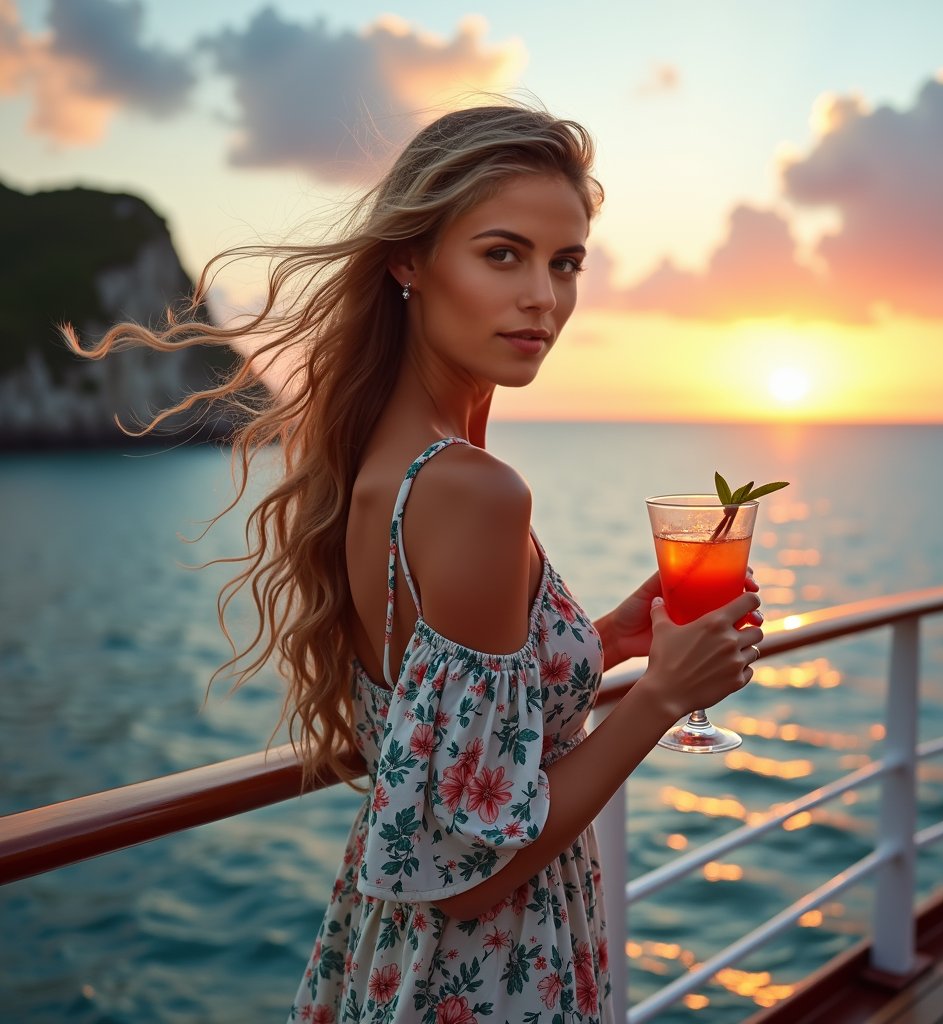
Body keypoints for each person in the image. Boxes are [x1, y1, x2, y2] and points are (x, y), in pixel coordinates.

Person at [66, 101, 763, 1023]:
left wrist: (607, 643)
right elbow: (470, 872)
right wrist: (664, 697)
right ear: (409, 261)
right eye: (503, 254)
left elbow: (444, 728)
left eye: (566, 263)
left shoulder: (386, 459)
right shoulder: (474, 491)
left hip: (399, 959)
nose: (543, 297)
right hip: (490, 975)